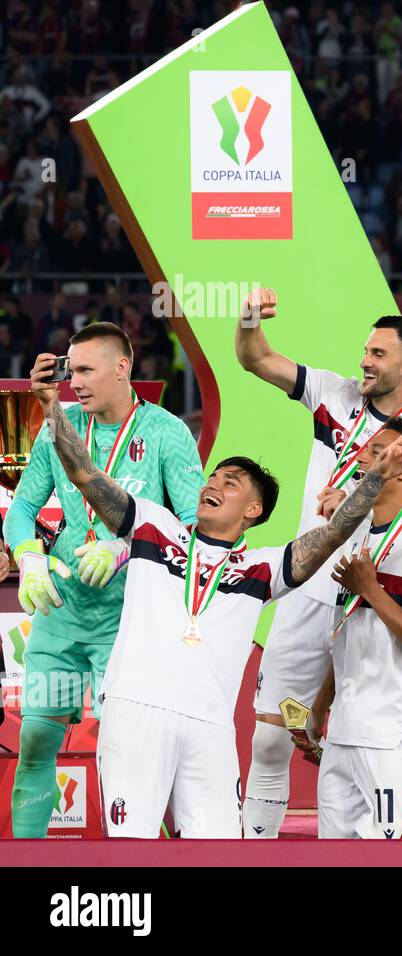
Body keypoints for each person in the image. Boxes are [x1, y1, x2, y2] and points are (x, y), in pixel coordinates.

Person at [27, 354, 402, 837]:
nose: (212, 484)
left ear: (253, 509)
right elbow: (86, 475)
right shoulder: (153, 526)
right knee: (131, 847)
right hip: (136, 712)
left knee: (216, 851)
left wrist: (375, 478)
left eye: (229, 483)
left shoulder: (262, 568)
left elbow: (335, 532)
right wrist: (52, 406)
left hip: (210, 728)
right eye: (213, 478)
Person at [233, 291, 402, 839]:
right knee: (271, 734)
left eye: (377, 354)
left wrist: (356, 491)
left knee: (374, 742)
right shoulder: (333, 394)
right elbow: (257, 358)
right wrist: (247, 322)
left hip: (370, 601)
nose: (364, 361)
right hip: (310, 589)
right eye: (364, 350)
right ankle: (257, 846)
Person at [4, 324, 203, 838]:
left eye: (87, 370)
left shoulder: (166, 433)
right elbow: (23, 507)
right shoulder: (59, 426)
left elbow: (194, 526)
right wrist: (28, 557)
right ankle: (28, 860)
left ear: (123, 368)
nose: (76, 382)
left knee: (135, 752)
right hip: (61, 615)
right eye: (71, 371)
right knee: (35, 743)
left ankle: (161, 857)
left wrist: (125, 546)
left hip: (130, 624)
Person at [305, 420, 402, 839]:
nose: (362, 457)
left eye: (377, 452)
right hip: (346, 731)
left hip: (398, 734)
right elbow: (351, 631)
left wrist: (370, 588)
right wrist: (321, 706)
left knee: (391, 859)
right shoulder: (357, 535)